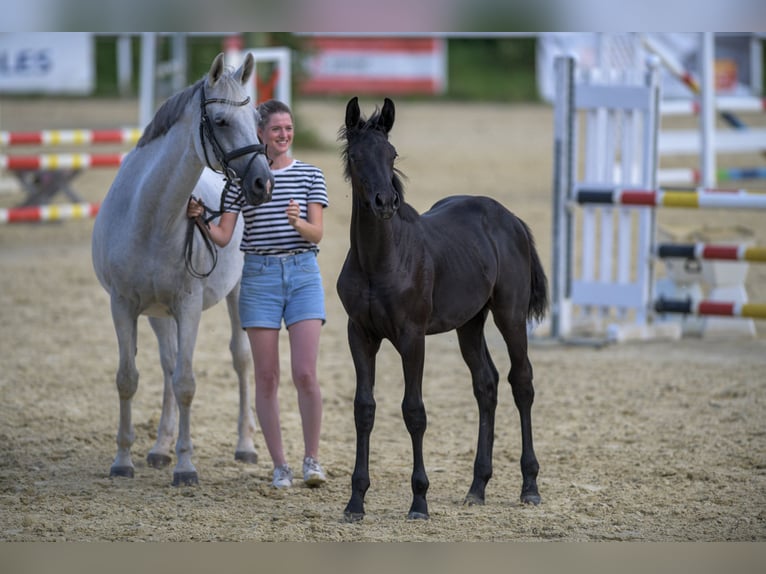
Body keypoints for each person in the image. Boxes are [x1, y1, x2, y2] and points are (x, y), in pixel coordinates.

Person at [187, 99, 329, 489]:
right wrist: (201, 220)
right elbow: (223, 235)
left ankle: (311, 460)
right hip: (259, 277)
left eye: (288, 128)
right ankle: (280, 465)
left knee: (305, 374)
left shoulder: (311, 175)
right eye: (276, 129)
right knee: (266, 377)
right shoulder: (240, 182)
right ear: (261, 134)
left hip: (302, 274)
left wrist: (299, 222)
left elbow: (318, 233)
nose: (283, 135)